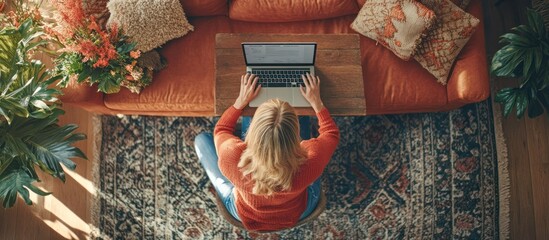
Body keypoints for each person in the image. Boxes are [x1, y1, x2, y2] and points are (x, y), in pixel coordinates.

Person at [194, 73, 339, 231]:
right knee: (302, 113)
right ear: (295, 137)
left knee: (201, 139)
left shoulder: (232, 156)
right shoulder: (312, 160)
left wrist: (240, 103)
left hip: (244, 213)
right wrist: (316, 103)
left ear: (254, 131)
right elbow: (331, 134)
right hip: (298, 211)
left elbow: (222, 129)